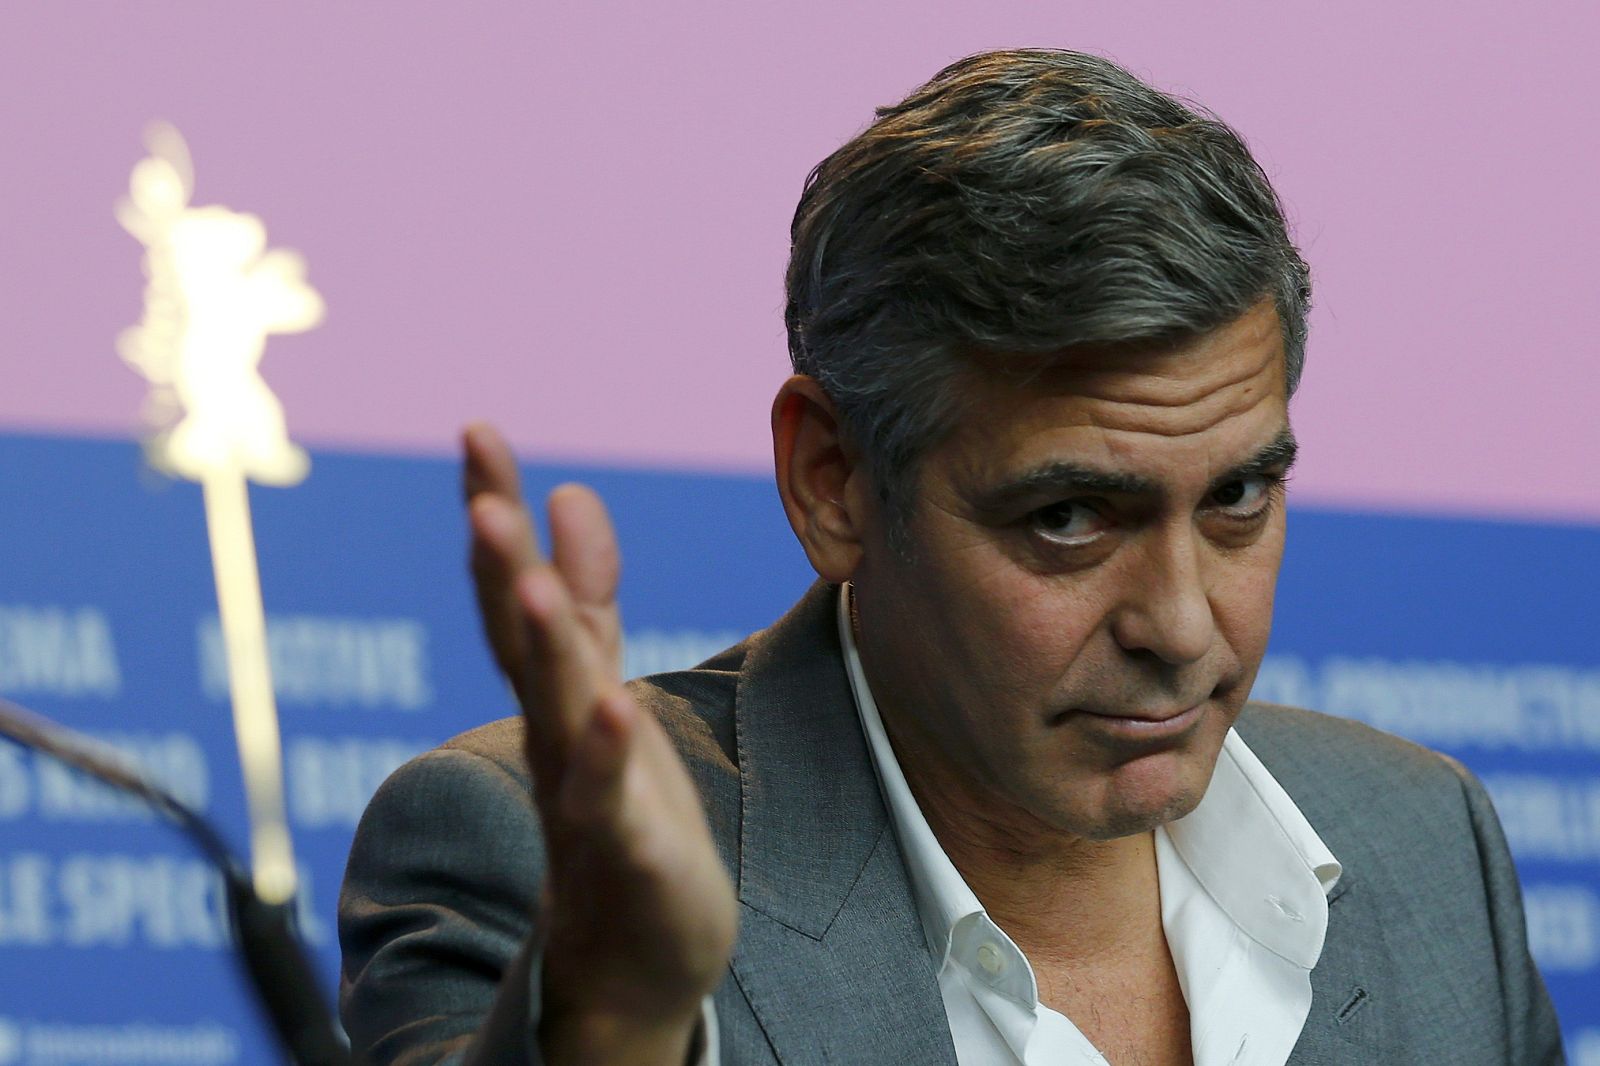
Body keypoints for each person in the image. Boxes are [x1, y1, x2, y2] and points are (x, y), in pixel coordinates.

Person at [338, 49, 1566, 1065]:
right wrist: (614, 1018)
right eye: (1070, 519)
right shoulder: (537, 860)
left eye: (1239, 495)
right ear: (834, 482)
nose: (1183, 627)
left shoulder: (1424, 844)